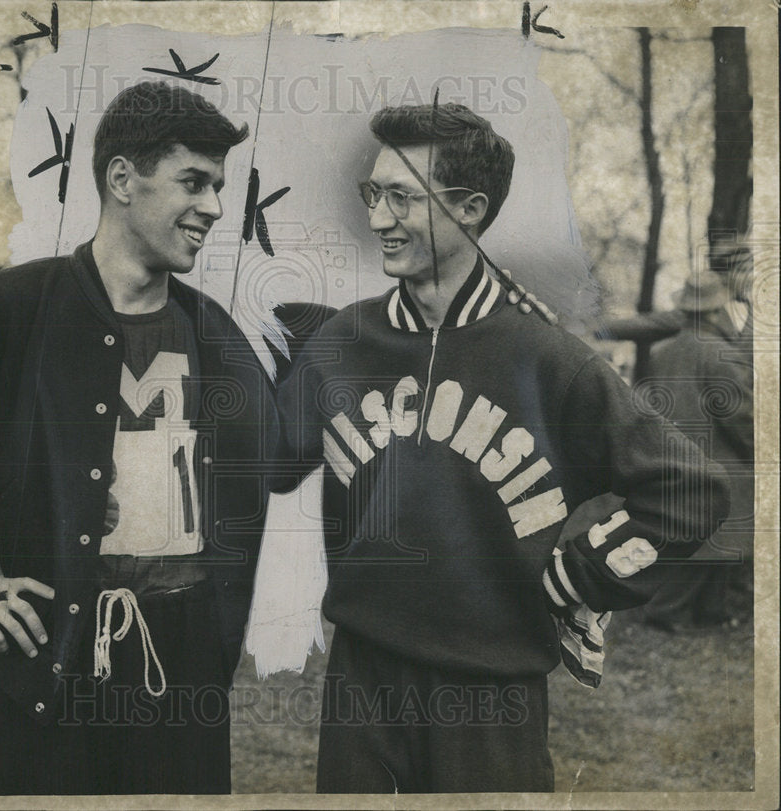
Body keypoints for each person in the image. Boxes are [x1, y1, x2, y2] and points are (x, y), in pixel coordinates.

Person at [276, 102, 731, 793]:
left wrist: (579, 575)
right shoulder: (342, 341)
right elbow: (269, 461)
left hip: (490, 692)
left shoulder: (549, 360)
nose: (378, 219)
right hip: (361, 677)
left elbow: (691, 491)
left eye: (401, 197)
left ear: (469, 208)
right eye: (374, 193)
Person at [0, 81, 277, 795]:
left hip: (183, 683)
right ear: (122, 179)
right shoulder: (8, 310)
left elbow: (278, 461)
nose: (213, 207)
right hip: (50, 669)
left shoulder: (215, 332)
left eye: (220, 186)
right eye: (193, 182)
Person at [642, 264, 754, 631]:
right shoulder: (719, 353)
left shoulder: (663, 351)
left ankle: (711, 612)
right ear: (712, 311)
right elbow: (738, 414)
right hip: (719, 462)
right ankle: (667, 613)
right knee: (710, 544)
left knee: (708, 542)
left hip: (674, 460)